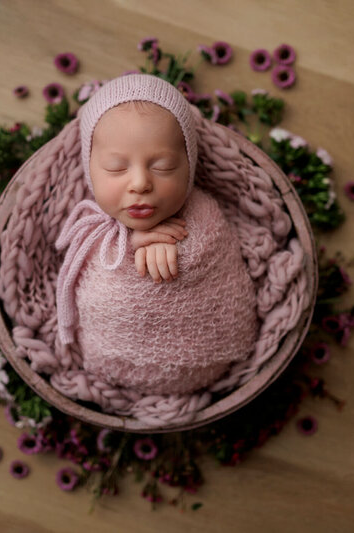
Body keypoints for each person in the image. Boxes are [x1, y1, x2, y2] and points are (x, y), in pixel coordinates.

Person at [55, 73, 257, 396]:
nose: (139, 183)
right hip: (113, 358)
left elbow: (218, 262)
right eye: (116, 167)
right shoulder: (90, 227)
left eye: (162, 166)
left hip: (207, 357)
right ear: (89, 168)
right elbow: (89, 274)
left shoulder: (202, 213)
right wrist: (131, 245)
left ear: (189, 166)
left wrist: (180, 250)